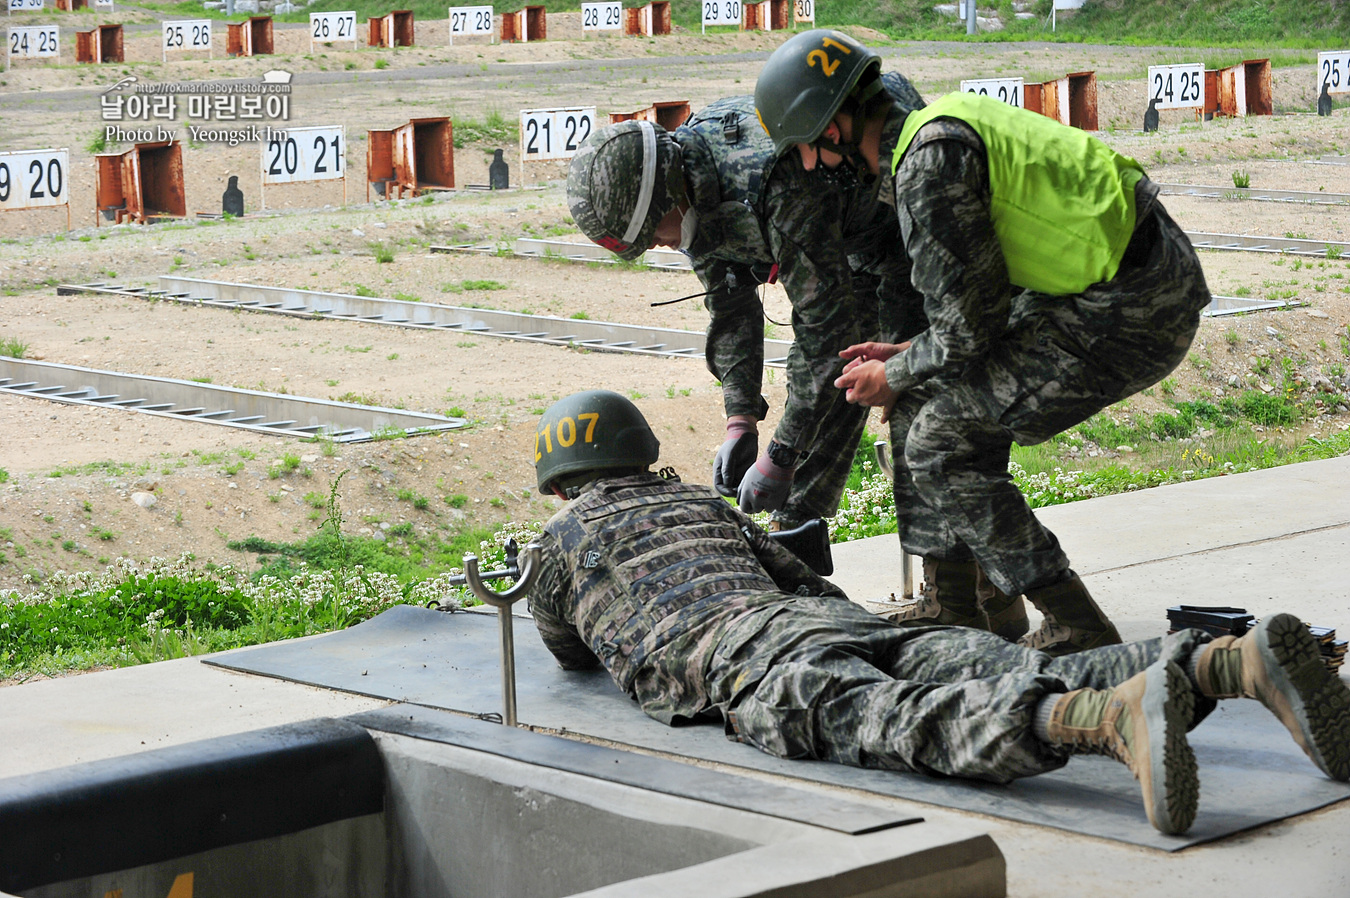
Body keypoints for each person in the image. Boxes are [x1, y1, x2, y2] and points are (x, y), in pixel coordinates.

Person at [526, 390, 1350, 836]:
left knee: (904, 721)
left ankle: (1100, 718)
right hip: (831, 624)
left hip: (739, 660)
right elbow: (801, 578)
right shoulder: (706, 506)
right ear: (639, 453)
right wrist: (866, 634)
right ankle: (1224, 661)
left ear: (560, 481)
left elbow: (566, 650)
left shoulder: (561, 538)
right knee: (1013, 664)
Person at [753, 30, 1213, 655]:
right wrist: (908, 360)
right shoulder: (939, 125)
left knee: (941, 442)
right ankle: (958, 606)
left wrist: (896, 372)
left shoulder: (926, 167)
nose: (808, 167)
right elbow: (973, 308)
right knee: (926, 405)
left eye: (804, 150)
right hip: (1110, 286)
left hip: (1130, 306)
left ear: (831, 132)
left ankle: (1073, 619)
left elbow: (968, 329)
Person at [565, 78, 929, 537]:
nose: (661, 244)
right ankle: (796, 536)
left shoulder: (773, 180)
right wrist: (741, 420)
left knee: (912, 400)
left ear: (669, 195)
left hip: (905, 231)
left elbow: (825, 336)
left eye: (655, 233)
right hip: (846, 241)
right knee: (842, 374)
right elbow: (730, 306)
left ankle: (957, 588)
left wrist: (780, 454)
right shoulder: (688, 189)